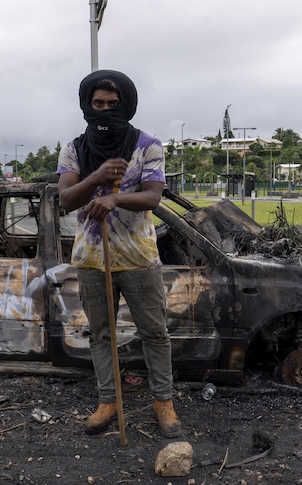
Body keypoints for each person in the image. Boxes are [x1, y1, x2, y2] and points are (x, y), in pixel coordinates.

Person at [56, 70, 182, 438]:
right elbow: (66, 199)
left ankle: (164, 404)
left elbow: (153, 197)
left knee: (155, 333)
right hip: (93, 260)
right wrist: (96, 179)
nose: (105, 110)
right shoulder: (74, 149)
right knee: (101, 334)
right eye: (98, 104)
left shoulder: (148, 145)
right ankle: (108, 402)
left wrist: (115, 198)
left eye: (113, 104)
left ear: (126, 105)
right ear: (87, 105)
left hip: (139, 258)